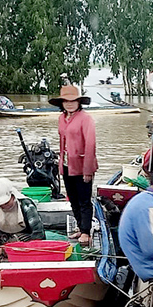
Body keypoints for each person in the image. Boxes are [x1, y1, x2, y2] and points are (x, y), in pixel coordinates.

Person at [51, 84, 97, 247]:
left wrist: (88, 170)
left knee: (84, 200)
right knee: (73, 200)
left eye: (73, 101)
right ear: (61, 103)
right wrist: (59, 167)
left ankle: (86, 231)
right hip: (65, 165)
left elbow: (90, 145)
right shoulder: (61, 118)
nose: (69, 104)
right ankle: (80, 226)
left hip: (82, 165)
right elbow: (61, 142)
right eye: (66, 101)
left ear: (79, 102)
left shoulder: (86, 119)